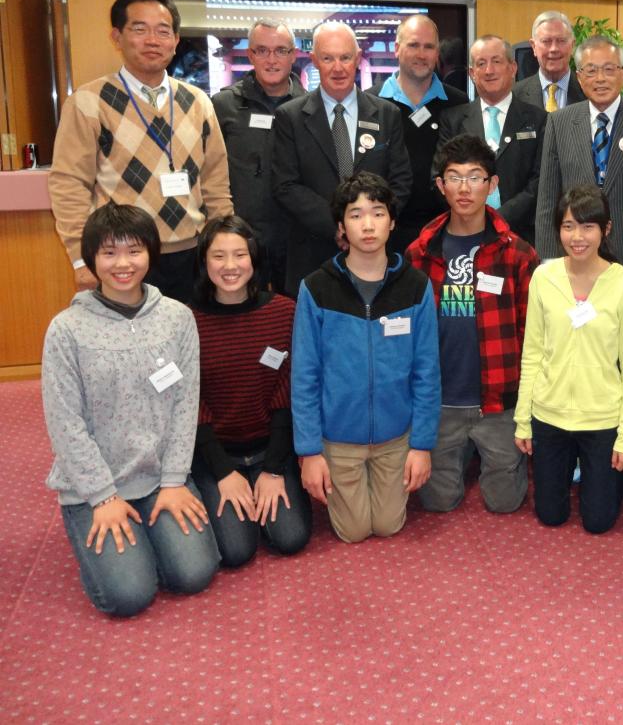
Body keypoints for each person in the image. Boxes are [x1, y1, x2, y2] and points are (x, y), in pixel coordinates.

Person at [41, 204, 219, 617]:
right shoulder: (66, 330)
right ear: (91, 259)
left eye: (134, 251)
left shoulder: (177, 318)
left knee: (194, 574)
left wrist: (175, 480)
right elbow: (65, 423)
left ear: (151, 254)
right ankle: (111, 535)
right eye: (108, 253)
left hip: (160, 478)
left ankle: (150, 535)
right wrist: (103, 497)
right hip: (95, 489)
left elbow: (185, 404)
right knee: (129, 597)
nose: (123, 264)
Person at [48, 0, 233, 303]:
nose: (152, 40)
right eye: (139, 29)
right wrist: (81, 259)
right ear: (117, 37)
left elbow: (216, 182)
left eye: (163, 31)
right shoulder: (88, 102)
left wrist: (223, 245)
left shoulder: (198, 101)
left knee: (190, 345)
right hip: (124, 257)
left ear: (175, 40)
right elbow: (69, 184)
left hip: (193, 255)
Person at [291, 172, 440, 543]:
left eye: (377, 212)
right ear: (341, 226)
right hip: (338, 439)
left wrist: (421, 445)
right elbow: (305, 376)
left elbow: (427, 372)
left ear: (392, 221)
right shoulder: (316, 288)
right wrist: (310, 452)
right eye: (356, 215)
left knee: (388, 525)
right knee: (354, 531)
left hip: (396, 437)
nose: (368, 224)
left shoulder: (416, 286)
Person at [407, 135, 539, 514]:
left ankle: (483, 452)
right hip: (442, 401)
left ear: (492, 185)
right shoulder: (419, 253)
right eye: (454, 177)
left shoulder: (517, 252)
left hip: (497, 402)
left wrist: (523, 405)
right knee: (437, 501)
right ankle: (459, 452)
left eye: (475, 177)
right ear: (440, 185)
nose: (464, 188)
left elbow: (530, 333)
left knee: (504, 503)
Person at [515, 186, 623, 533]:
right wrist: (523, 419)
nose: (577, 236)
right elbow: (532, 354)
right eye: (569, 226)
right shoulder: (544, 277)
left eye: (588, 226)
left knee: (598, 522)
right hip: (549, 413)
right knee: (550, 515)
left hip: (602, 417)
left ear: (606, 229)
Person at [190, 215, 312, 567]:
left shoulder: (284, 312)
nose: (230, 266)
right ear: (203, 262)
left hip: (270, 451)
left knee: (291, 538)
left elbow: (288, 394)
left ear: (254, 259)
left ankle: (262, 492)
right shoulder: (185, 320)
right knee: (236, 552)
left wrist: (274, 470)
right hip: (217, 456)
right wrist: (225, 473)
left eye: (240, 255)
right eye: (218, 256)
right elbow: (191, 405)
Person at [273, 21, 413, 296]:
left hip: (376, 254)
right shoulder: (289, 117)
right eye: (328, 58)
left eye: (345, 57)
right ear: (314, 61)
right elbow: (285, 185)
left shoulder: (387, 114)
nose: (338, 68)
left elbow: (401, 180)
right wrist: (340, 224)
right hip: (314, 253)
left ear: (358, 59)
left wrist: (367, 225)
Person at [534, 35, 623, 270]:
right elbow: (548, 199)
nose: (600, 79)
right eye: (591, 71)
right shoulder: (558, 122)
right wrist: (549, 261)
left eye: (609, 69)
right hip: (574, 255)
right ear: (579, 77)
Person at [211, 18, 307, 292]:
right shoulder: (223, 105)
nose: (271, 59)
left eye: (281, 51)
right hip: (241, 238)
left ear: (293, 56)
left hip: (295, 238)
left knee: (290, 314)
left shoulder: (309, 106)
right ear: (250, 54)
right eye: (262, 50)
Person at [367, 14, 469, 250]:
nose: (421, 54)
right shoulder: (370, 103)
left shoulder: (457, 102)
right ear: (396, 48)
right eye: (413, 45)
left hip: (444, 233)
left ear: (437, 53)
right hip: (384, 233)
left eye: (429, 47)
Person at [440, 35, 547, 244]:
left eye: (497, 61)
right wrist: (475, 217)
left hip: (521, 236)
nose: (489, 70)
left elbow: (540, 181)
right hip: (464, 234)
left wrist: (498, 218)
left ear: (513, 67)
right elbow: (441, 175)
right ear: (472, 73)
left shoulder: (539, 119)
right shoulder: (452, 120)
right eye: (481, 63)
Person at [512, 10, 585, 110]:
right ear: (533, 47)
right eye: (546, 41)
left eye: (561, 41)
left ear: (572, 46)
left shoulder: (588, 91)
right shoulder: (514, 96)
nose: (554, 49)